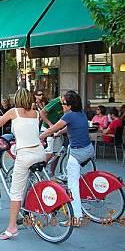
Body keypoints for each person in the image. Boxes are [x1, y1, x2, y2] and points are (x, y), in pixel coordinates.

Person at [0, 87, 46, 240]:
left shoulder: (13, 112)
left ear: (17, 99)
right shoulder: (36, 113)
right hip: (40, 152)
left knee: (16, 193)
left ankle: (12, 227)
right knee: (30, 179)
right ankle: (30, 208)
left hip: (26, 155)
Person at [40, 91, 95, 223]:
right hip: (89, 150)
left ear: (69, 106)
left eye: (63, 104)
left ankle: (76, 217)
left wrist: (39, 137)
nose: (62, 106)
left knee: (72, 186)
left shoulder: (68, 115)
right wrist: (60, 132)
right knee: (73, 174)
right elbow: (70, 126)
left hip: (77, 153)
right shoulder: (81, 113)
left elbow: (50, 129)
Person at [39, 95, 64, 176]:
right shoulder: (55, 102)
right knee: (49, 153)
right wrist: (50, 124)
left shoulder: (67, 105)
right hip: (47, 129)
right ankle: (39, 171)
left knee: (57, 153)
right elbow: (42, 112)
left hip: (57, 130)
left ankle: (52, 174)